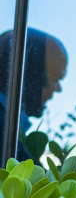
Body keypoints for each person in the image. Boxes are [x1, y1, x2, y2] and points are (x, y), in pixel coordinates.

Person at [0, 29, 68, 160]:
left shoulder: (10, 128)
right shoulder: (5, 133)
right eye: (55, 79)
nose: (58, 89)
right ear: (30, 74)